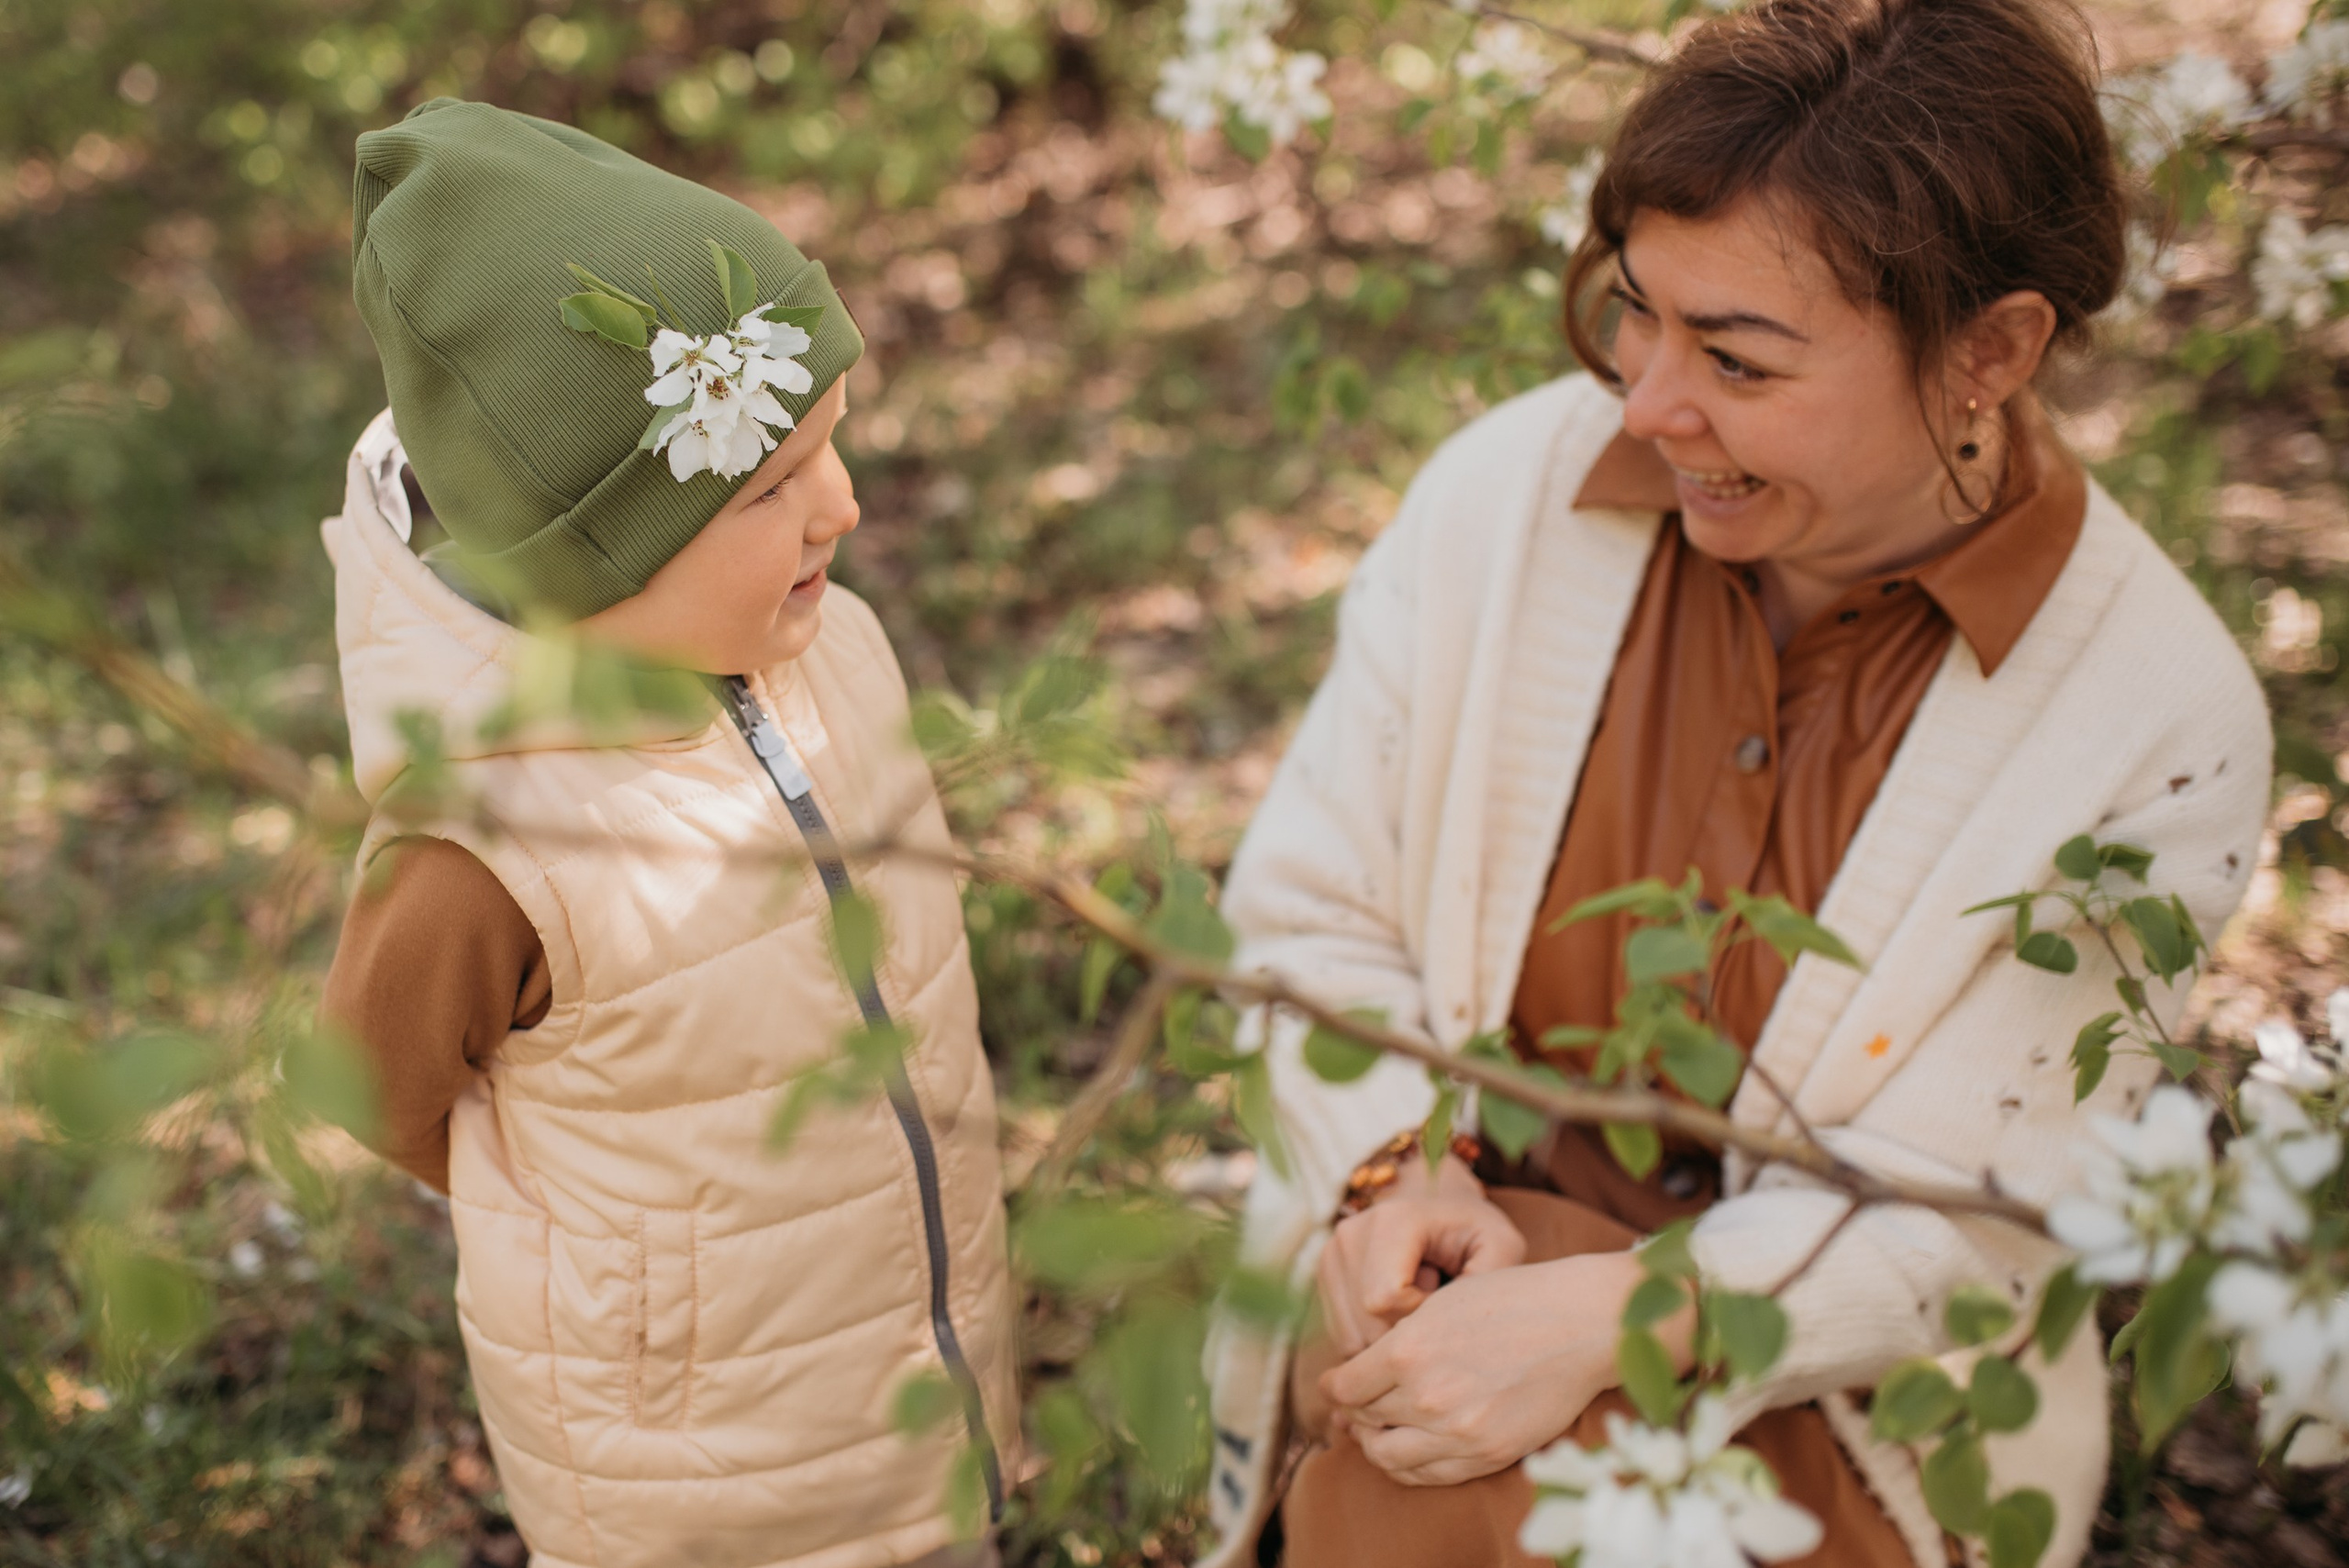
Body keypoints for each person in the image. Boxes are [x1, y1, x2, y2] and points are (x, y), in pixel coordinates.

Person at [1196, 1, 2272, 1564]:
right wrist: (1393, 1171)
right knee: (1432, 1434)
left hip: (1842, 1411)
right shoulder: (1504, 503)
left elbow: (1975, 1216)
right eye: (1638, 312)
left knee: (1457, 1474)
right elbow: (1311, 913)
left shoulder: (2154, 718)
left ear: (1990, 351)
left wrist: (1626, 1316)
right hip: (1428, 1284)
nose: (1646, 402)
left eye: (1737, 359)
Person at [317, 99, 1016, 1568]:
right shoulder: (488, 844)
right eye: (772, 486)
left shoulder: (840, 652)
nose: (843, 505)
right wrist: (623, 1239)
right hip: (699, 1480)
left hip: (921, 1366)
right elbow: (375, 1085)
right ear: (588, 559)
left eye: (834, 444)